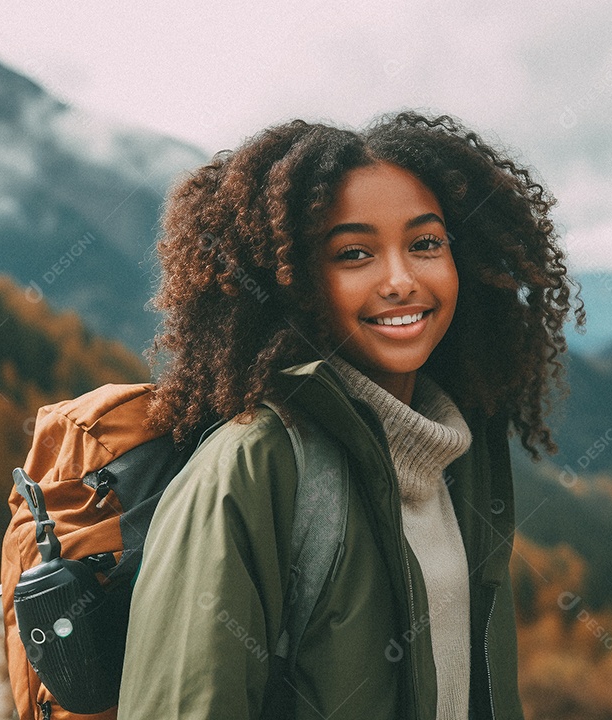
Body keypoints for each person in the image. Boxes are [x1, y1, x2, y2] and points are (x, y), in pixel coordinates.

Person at [117, 112, 578, 720]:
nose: (400, 280)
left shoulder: (460, 455)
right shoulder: (250, 466)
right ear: (292, 281)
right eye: (354, 254)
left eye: (425, 244)